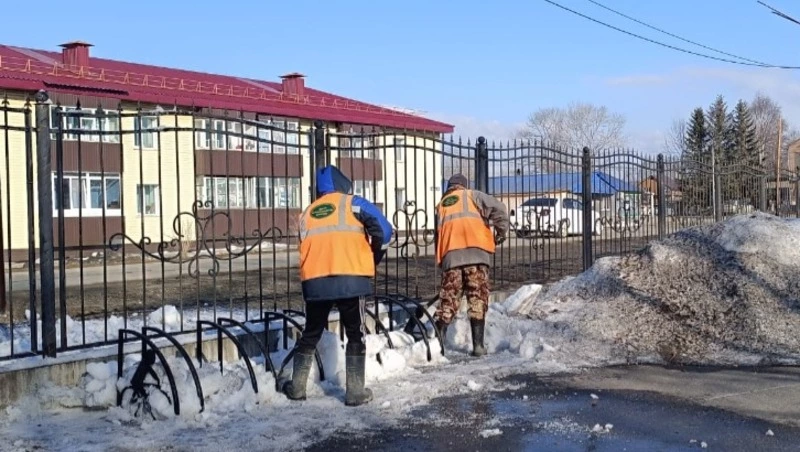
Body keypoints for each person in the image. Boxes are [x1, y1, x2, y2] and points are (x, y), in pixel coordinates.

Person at [282, 165, 392, 407]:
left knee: (311, 333)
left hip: (316, 282)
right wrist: (372, 258)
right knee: (355, 333)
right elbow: (384, 231)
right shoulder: (354, 203)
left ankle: (297, 387)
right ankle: (355, 392)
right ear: (343, 184)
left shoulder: (307, 213)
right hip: (351, 278)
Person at [434, 173, 509, 357]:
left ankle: (439, 347)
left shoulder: (441, 206)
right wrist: (501, 232)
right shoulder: (472, 195)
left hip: (451, 256)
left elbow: (438, 236)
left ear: (449, 187)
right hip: (476, 254)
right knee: (477, 297)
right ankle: (477, 346)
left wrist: (442, 262)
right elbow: (499, 208)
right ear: (464, 186)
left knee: (448, 300)